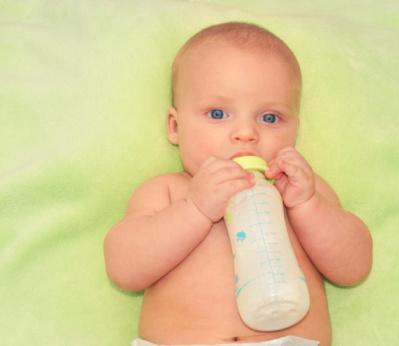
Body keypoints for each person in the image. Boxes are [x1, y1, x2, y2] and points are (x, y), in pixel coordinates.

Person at [104, 22, 372, 346]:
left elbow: (355, 267)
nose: (246, 133)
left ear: (295, 128)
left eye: (269, 118)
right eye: (217, 113)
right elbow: (124, 269)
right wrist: (194, 210)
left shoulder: (299, 190)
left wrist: (307, 206)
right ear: (175, 127)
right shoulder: (169, 191)